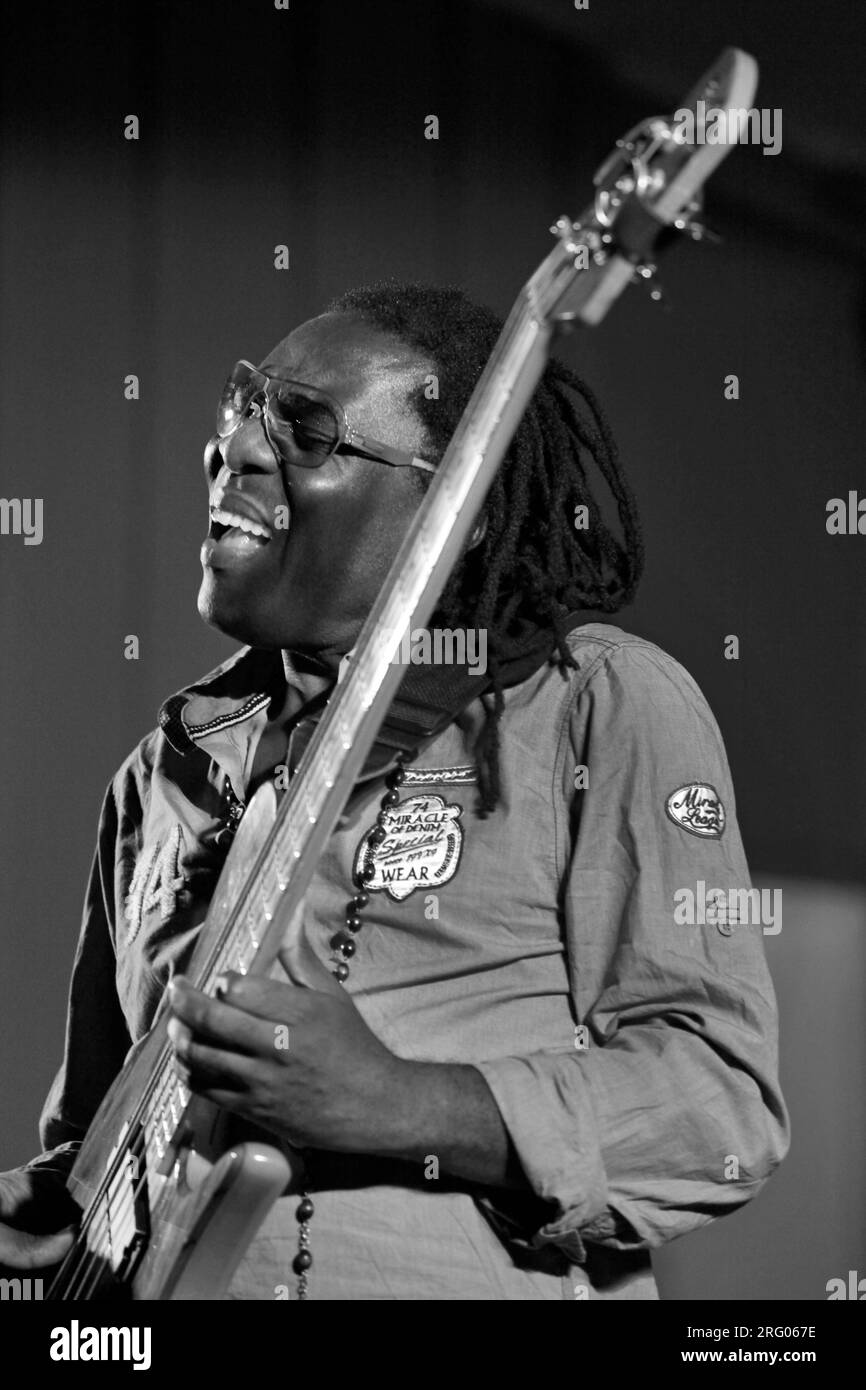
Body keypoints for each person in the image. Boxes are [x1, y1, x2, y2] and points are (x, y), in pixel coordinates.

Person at [0, 283, 788, 1300]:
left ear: (453, 514)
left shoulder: (595, 704)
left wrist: (407, 1102)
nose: (234, 448)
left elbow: (717, 1106)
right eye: (243, 408)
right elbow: (101, 1146)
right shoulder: (161, 774)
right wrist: (50, 1213)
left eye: (305, 431)